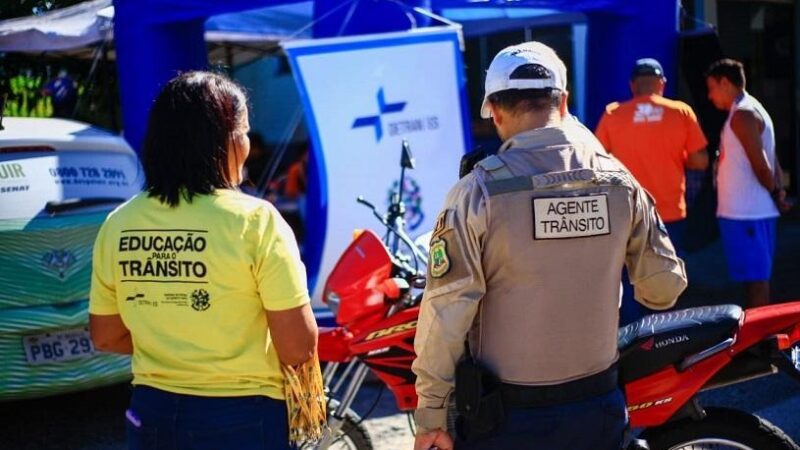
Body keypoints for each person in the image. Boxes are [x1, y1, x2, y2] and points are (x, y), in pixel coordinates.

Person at [412, 42, 687, 450]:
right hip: (598, 409)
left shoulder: (478, 192)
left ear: (497, 112)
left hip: (506, 420)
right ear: (565, 102)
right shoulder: (619, 181)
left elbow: (446, 312)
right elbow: (663, 290)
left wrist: (432, 413)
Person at [88, 72, 318, 450]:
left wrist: (178, 344)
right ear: (225, 140)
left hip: (151, 414)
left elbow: (106, 335)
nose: (247, 142)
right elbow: (297, 347)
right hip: (244, 420)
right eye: (243, 131)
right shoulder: (256, 221)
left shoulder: (119, 223)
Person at [595, 58, 709, 255]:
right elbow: (700, 161)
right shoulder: (681, 112)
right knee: (668, 275)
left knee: (630, 275)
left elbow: (596, 162)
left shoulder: (612, 114)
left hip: (628, 212)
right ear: (662, 84)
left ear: (633, 85)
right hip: (670, 212)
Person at [705, 58, 791, 308]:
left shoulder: (743, 113)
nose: (710, 96)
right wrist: (779, 191)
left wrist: (776, 193)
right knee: (753, 280)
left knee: (756, 282)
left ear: (725, 83)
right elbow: (771, 156)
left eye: (711, 88)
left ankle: (761, 340)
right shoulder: (748, 109)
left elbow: (761, 163)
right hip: (747, 213)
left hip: (747, 214)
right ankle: (759, 338)